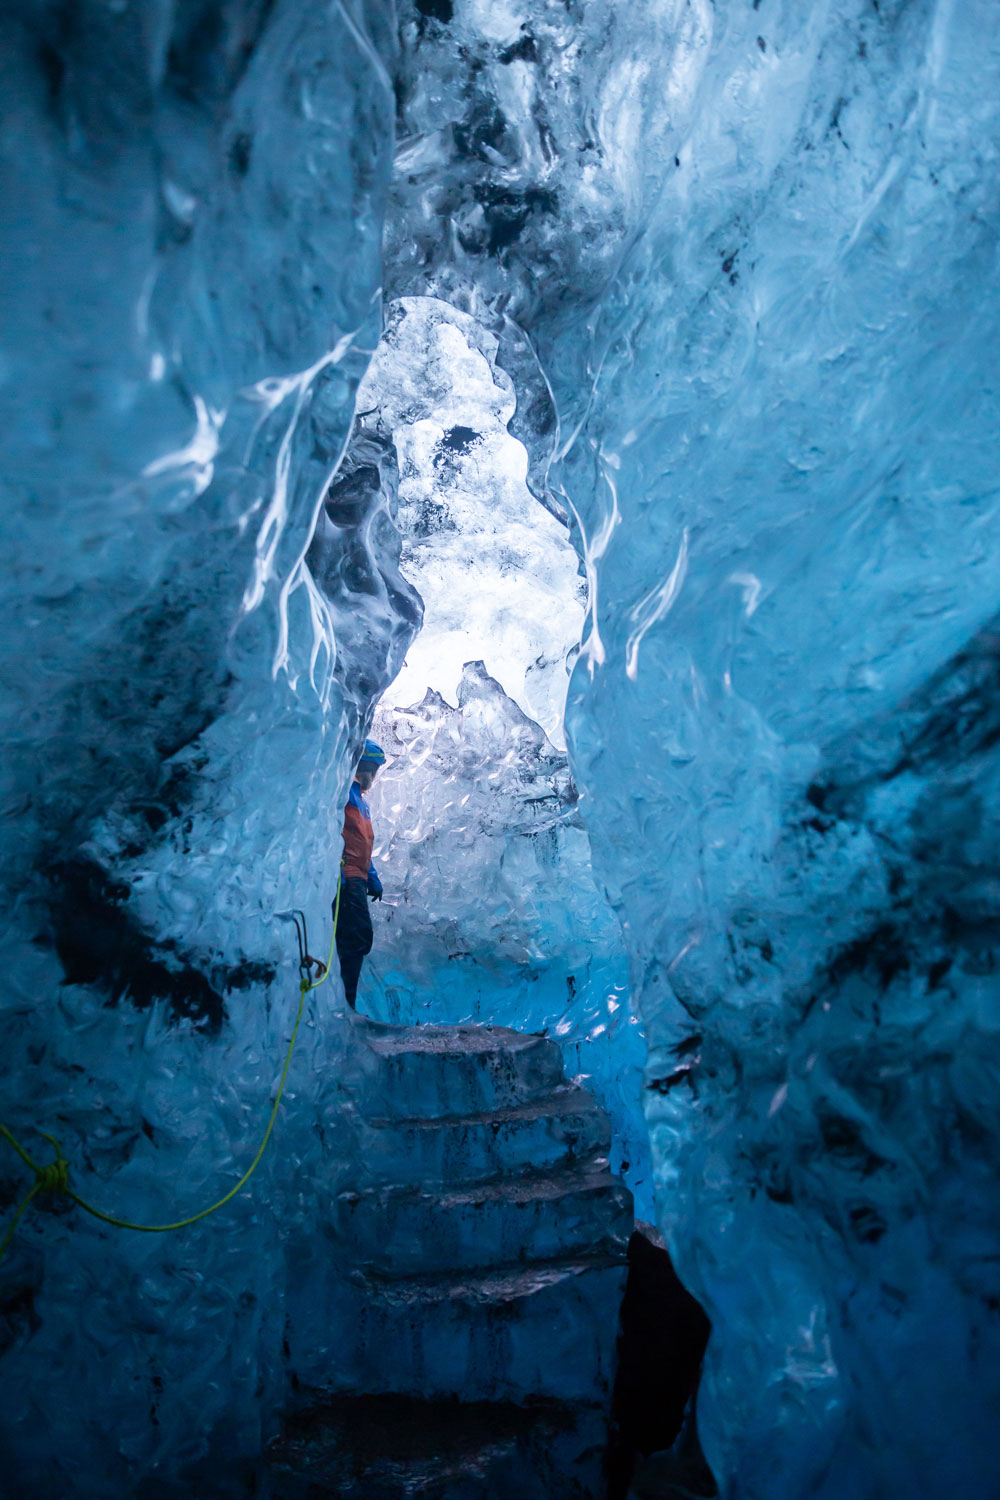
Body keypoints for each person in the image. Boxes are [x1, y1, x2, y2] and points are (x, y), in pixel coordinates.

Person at [335, 738, 385, 1009]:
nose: (373, 777)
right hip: (345, 879)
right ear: (360, 766)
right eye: (372, 770)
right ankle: (345, 1006)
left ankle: (345, 1003)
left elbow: (360, 842)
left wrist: (372, 877)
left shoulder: (361, 802)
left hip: (356, 877)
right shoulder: (343, 790)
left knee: (355, 937)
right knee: (355, 937)